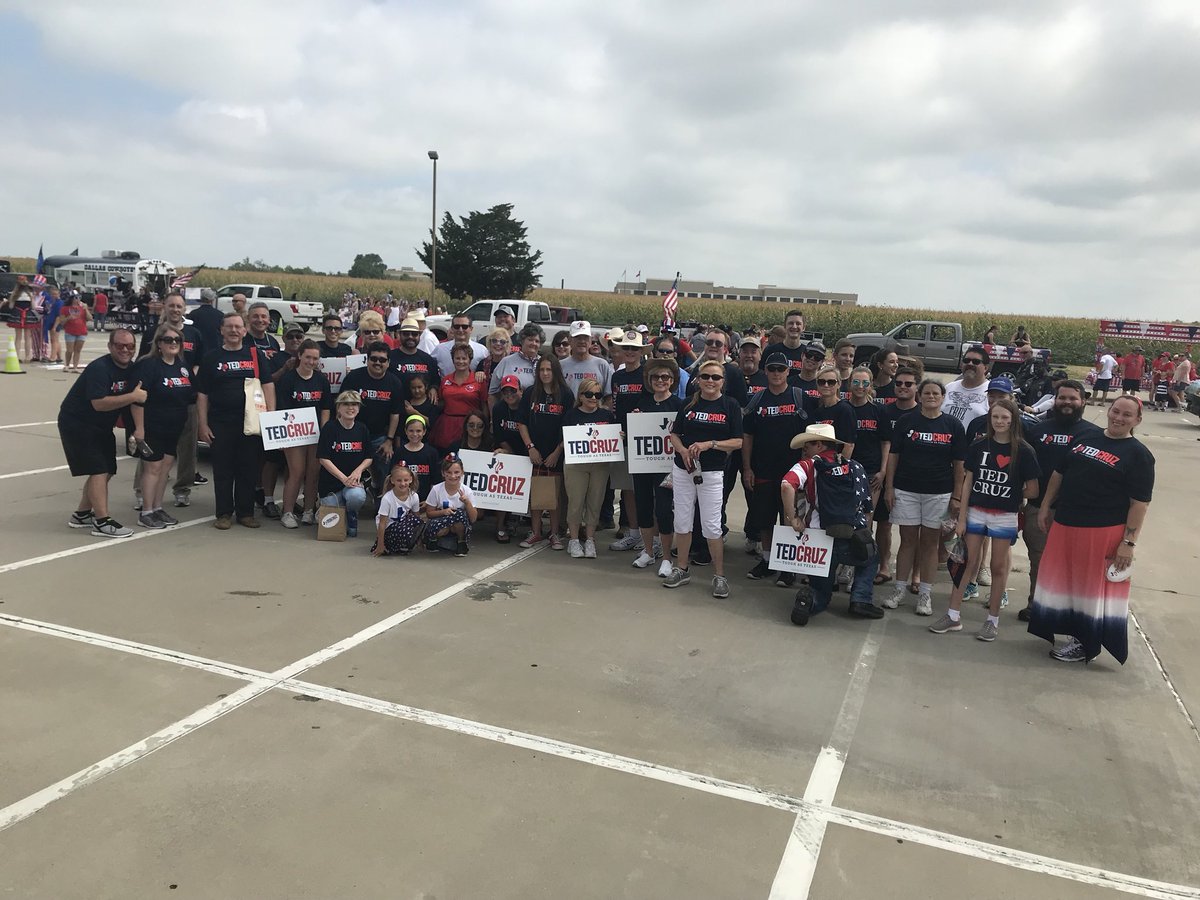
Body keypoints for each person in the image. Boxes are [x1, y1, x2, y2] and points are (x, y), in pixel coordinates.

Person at [1028, 396, 1154, 663]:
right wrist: (1046, 506)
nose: (1119, 418)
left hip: (1102, 530)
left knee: (1089, 588)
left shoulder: (1139, 455)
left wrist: (1128, 543)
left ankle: (1086, 642)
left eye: (1127, 415)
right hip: (1066, 523)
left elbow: (1139, 504)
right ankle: (1068, 630)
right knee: (1062, 581)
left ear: (1137, 420)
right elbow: (1059, 474)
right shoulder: (1086, 436)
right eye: (1116, 411)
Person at [929, 398, 1040, 640]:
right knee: (965, 563)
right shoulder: (979, 445)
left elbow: (1033, 490)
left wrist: (1012, 492)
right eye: (995, 417)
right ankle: (953, 615)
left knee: (998, 567)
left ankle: (992, 620)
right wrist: (961, 518)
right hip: (976, 512)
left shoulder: (1024, 450)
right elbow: (968, 482)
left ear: (1013, 420)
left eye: (1005, 418)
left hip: (1004, 516)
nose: (999, 421)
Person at [782, 424, 884, 625]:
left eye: (807, 445)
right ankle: (860, 599)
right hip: (851, 536)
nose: (804, 449)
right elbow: (866, 507)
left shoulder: (807, 466)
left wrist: (792, 518)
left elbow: (786, 485)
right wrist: (865, 533)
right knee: (871, 558)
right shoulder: (855, 466)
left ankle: (811, 600)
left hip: (818, 538)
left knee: (821, 588)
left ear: (819, 445)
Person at [883, 379, 967, 616]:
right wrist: (889, 487)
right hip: (906, 490)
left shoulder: (953, 425)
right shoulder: (906, 421)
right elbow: (893, 456)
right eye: (927, 393)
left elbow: (959, 464)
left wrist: (957, 496)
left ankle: (925, 594)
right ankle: (898, 589)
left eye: (935, 393)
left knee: (930, 544)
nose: (931, 396)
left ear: (943, 397)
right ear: (919, 396)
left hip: (939, 493)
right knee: (907, 541)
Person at [1017, 379, 1099, 621]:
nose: (1067, 402)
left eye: (1073, 398)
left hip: (1076, 512)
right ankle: (1037, 605)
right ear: (1054, 400)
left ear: (1083, 401)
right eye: (1062, 398)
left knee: (1073, 563)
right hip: (1038, 508)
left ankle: (1068, 610)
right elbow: (1023, 468)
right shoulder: (1037, 430)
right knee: (1039, 560)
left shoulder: (1094, 435)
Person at [663, 360, 744, 598]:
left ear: (723, 381)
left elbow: (738, 441)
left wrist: (711, 444)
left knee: (711, 525)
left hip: (711, 472)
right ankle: (682, 569)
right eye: (705, 376)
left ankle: (719, 575)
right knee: (682, 521)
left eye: (715, 377)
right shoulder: (688, 403)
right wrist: (682, 450)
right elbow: (674, 434)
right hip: (684, 470)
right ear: (698, 379)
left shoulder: (730, 405)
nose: (710, 381)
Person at [60, 329, 145, 538]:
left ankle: (81, 515)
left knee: (107, 470)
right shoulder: (100, 368)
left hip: (102, 426)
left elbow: (136, 401)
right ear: (110, 346)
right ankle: (102, 521)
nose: (125, 350)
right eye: (120, 345)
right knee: (98, 469)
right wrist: (133, 396)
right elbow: (99, 404)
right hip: (78, 423)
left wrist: (137, 429)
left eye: (130, 346)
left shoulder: (132, 369)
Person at [196, 312, 276, 529]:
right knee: (223, 470)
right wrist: (202, 424)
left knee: (248, 469)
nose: (233, 330)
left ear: (244, 330)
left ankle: (245, 513)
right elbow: (202, 394)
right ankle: (223, 513)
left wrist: (271, 416)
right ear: (221, 330)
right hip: (220, 422)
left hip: (250, 422)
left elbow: (268, 385)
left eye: (238, 327)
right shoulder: (211, 358)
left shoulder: (255, 355)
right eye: (229, 327)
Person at [743, 352, 809, 583]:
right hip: (763, 469)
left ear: (788, 371)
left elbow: (810, 436)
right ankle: (768, 559)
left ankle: (788, 565)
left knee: (790, 518)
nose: (776, 373)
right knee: (765, 519)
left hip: (793, 472)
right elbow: (748, 436)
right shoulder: (758, 399)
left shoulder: (799, 397)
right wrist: (747, 468)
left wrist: (807, 469)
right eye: (772, 369)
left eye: (781, 369)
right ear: (766, 371)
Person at [128, 323, 195, 529]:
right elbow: (137, 399)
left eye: (177, 340)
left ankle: (157, 507)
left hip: (174, 427)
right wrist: (139, 429)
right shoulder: (148, 365)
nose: (173, 343)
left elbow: (192, 394)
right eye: (168, 340)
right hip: (152, 425)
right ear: (159, 343)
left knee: (165, 468)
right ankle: (146, 512)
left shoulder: (182, 366)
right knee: (153, 468)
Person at [629, 356, 682, 572]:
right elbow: (636, 433)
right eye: (656, 377)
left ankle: (667, 557)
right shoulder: (642, 403)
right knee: (643, 507)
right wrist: (631, 428)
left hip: (666, 467)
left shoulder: (679, 405)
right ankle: (649, 552)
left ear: (672, 380)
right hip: (643, 464)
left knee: (663, 510)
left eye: (665, 377)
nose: (660, 380)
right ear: (649, 380)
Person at [518, 354, 572, 550]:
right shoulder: (530, 393)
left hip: (555, 453)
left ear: (556, 371)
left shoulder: (566, 394)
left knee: (554, 496)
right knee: (536, 494)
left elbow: (570, 427)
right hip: (535, 452)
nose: (545, 373)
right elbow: (521, 423)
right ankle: (536, 531)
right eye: (542, 369)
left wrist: (557, 452)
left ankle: (554, 533)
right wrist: (530, 447)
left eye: (549, 369)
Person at [275, 339, 331, 528]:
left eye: (315, 358)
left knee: (313, 473)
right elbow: (282, 410)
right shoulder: (288, 379)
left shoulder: (321, 380)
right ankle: (287, 512)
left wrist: (324, 432)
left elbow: (325, 408)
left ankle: (309, 510)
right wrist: (284, 437)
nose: (311, 362)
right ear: (299, 356)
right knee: (297, 472)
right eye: (308, 357)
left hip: (315, 433)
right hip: (294, 433)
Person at [873, 367, 918, 585]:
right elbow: (882, 443)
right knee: (884, 523)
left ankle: (916, 574)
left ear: (916, 387)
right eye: (898, 383)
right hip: (887, 475)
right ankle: (884, 566)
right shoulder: (884, 412)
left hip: (912, 477)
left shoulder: (923, 413)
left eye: (908, 384)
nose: (902, 387)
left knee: (914, 531)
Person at [562, 378, 616, 559]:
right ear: (581, 396)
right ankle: (574, 539)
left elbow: (613, 438)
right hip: (576, 465)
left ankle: (590, 539)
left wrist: (618, 436)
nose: (593, 398)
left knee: (595, 502)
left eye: (597, 395)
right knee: (575, 503)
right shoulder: (571, 415)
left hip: (600, 466)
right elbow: (564, 439)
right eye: (589, 394)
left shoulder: (607, 416)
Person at [608, 329, 651, 553]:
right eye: (627, 348)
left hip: (644, 440)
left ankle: (649, 536)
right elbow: (615, 406)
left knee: (646, 491)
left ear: (641, 351)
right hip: (623, 439)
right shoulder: (617, 377)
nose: (630, 352)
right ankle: (633, 534)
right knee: (627, 490)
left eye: (635, 348)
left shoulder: (648, 375)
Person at [340, 341, 405, 487]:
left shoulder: (395, 382)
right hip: (353, 434)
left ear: (388, 362)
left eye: (382, 360)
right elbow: (341, 406)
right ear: (367, 359)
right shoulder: (353, 377)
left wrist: (389, 441)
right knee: (349, 472)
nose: (378, 363)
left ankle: (380, 497)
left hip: (380, 436)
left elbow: (395, 414)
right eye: (374, 359)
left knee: (384, 473)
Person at [317, 391, 373, 537]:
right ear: (339, 408)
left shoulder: (362, 429)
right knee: (332, 518)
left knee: (356, 497)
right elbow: (323, 458)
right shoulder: (330, 428)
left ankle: (352, 514)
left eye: (354, 404)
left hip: (353, 483)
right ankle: (328, 508)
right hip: (330, 484)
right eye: (346, 404)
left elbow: (369, 457)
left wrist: (357, 471)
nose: (350, 408)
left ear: (359, 408)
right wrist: (343, 478)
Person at [490, 375, 528, 542]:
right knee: (503, 489)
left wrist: (525, 454)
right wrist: (511, 455)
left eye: (513, 390)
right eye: (505, 391)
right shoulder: (499, 408)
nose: (509, 395)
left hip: (527, 451)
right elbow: (499, 435)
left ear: (520, 390)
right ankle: (500, 526)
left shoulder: (527, 407)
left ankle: (528, 523)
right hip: (507, 450)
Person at [431, 343, 489, 451]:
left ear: (470, 360)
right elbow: (441, 402)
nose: (461, 361)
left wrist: (485, 426)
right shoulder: (445, 380)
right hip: (447, 426)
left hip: (470, 426)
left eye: (464, 358)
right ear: (453, 360)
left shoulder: (478, 380)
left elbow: (484, 405)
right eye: (457, 358)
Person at [424, 455, 478, 557]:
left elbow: (473, 518)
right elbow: (429, 513)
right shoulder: (436, 489)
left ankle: (461, 542)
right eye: (449, 472)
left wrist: (467, 502)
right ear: (443, 473)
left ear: (462, 472)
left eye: (456, 472)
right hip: (442, 526)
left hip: (457, 528)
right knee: (440, 528)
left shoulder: (467, 491)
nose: (453, 476)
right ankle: (433, 540)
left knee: (459, 513)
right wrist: (443, 512)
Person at [371, 464, 424, 556]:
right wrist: (380, 544)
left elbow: (417, 517)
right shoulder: (387, 498)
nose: (403, 484)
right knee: (404, 530)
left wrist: (419, 539)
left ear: (411, 479)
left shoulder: (414, 496)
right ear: (392, 481)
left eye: (406, 480)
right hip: (389, 529)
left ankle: (407, 544)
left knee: (419, 522)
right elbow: (382, 523)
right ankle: (390, 546)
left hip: (402, 524)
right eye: (399, 480)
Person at [685, 328, 748, 405]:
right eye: (709, 342)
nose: (713, 345)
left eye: (718, 343)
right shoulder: (697, 370)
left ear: (725, 349)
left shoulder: (735, 373)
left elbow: (741, 404)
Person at [811, 364, 857, 454]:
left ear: (839, 384)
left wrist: (840, 463)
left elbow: (849, 445)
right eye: (821, 382)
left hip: (837, 460)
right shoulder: (817, 411)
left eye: (831, 382)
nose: (826, 385)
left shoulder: (845, 410)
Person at [489, 323, 543, 398]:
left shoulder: (544, 363)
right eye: (530, 340)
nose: (534, 343)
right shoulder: (506, 362)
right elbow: (492, 393)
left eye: (537, 341)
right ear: (522, 341)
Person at [560, 321, 613, 398]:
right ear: (570, 340)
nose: (582, 341)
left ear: (590, 340)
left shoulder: (602, 365)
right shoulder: (560, 366)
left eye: (585, 338)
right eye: (578, 337)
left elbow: (609, 397)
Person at [942, 345, 990, 428]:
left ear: (985, 368)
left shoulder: (991, 391)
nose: (970, 364)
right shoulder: (949, 387)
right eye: (966, 361)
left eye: (976, 362)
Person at [389, 317, 439, 396]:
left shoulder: (428, 359)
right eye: (406, 334)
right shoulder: (389, 358)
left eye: (414, 334)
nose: (410, 337)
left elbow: (435, 380)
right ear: (399, 335)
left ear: (419, 335)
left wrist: (433, 388)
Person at [396, 413, 440, 502]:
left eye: (418, 431)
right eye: (411, 431)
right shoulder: (399, 452)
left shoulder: (432, 453)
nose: (415, 434)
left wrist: (429, 501)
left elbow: (435, 480)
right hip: (403, 500)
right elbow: (394, 478)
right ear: (406, 431)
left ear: (424, 431)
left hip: (425, 501)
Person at [760, 309, 809, 384]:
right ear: (785, 326)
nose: (794, 326)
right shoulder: (770, 350)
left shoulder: (808, 354)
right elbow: (761, 374)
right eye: (791, 323)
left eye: (798, 323)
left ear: (804, 327)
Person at [433, 312, 487, 377]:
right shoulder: (440, 349)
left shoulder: (482, 351)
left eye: (464, 327)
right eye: (457, 327)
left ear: (471, 329)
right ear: (452, 328)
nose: (460, 330)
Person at [2, 279, 39, 364]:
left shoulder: (14, 294)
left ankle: (17, 356)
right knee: (27, 338)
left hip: (17, 315)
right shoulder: (30, 294)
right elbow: (34, 307)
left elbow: (11, 306)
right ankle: (27, 357)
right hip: (28, 315)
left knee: (18, 337)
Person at [54, 291, 90, 373]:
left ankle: (75, 367)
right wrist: (68, 318)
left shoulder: (82, 307)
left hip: (82, 331)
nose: (78, 299)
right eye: (76, 298)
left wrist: (86, 309)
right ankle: (67, 365)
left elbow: (90, 318)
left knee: (78, 350)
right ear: (71, 299)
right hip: (70, 331)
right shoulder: (65, 308)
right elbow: (62, 322)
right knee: (69, 350)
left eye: (79, 298)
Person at [190, 287, 224, 358]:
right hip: (215, 348)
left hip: (197, 348)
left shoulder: (193, 314)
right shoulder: (220, 315)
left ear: (201, 299)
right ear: (212, 300)